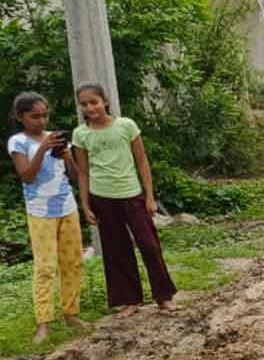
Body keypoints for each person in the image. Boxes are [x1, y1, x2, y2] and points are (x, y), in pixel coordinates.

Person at [71, 83, 177, 316]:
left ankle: (164, 296)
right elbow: (83, 172)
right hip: (102, 198)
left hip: (132, 194)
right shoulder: (81, 134)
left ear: (105, 101)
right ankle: (130, 300)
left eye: (94, 102)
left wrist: (149, 197)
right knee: (117, 250)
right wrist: (86, 204)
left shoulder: (126, 126)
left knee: (149, 246)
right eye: (84, 104)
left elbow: (142, 162)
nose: (90, 108)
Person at [8, 92, 86, 344]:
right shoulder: (18, 142)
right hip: (40, 212)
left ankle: (71, 314)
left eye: (44, 115)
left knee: (73, 262)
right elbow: (27, 176)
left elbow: (75, 176)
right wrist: (42, 149)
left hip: (67, 207)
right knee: (45, 267)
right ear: (20, 117)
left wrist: (67, 156)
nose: (41, 121)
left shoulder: (57, 139)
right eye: (34, 116)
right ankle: (43, 323)